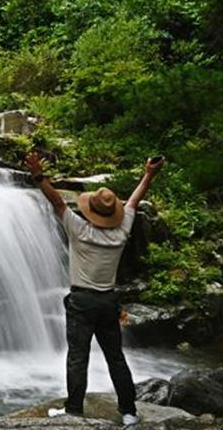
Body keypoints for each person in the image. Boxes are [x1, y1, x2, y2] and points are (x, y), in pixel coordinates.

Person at [24, 152, 165, 427]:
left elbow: (55, 201)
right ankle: (129, 413)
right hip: (109, 302)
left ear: (91, 211)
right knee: (115, 357)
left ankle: (74, 410)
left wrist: (38, 175)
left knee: (78, 356)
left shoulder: (78, 229)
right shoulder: (122, 231)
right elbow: (134, 200)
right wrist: (149, 174)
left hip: (82, 302)